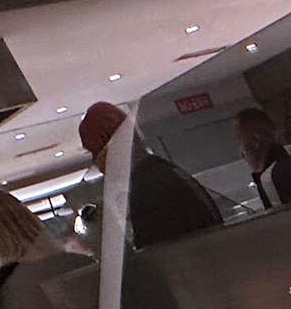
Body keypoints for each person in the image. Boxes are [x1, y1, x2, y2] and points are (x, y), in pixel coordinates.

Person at [78, 101, 222, 247]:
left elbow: (157, 253)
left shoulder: (147, 186)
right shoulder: (160, 170)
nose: (95, 160)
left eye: (95, 150)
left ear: (110, 142)